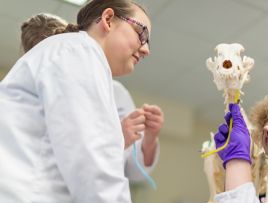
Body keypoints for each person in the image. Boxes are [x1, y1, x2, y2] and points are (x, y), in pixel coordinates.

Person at [0, 1, 171, 203]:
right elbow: (94, 171)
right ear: (108, 19)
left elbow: (91, 167)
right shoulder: (77, 54)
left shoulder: (85, 63)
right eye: (142, 35)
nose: (147, 49)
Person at [20, 13, 162, 186]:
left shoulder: (115, 93)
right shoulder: (27, 100)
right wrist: (118, 138)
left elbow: (135, 171)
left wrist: (149, 139)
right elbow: (57, 160)